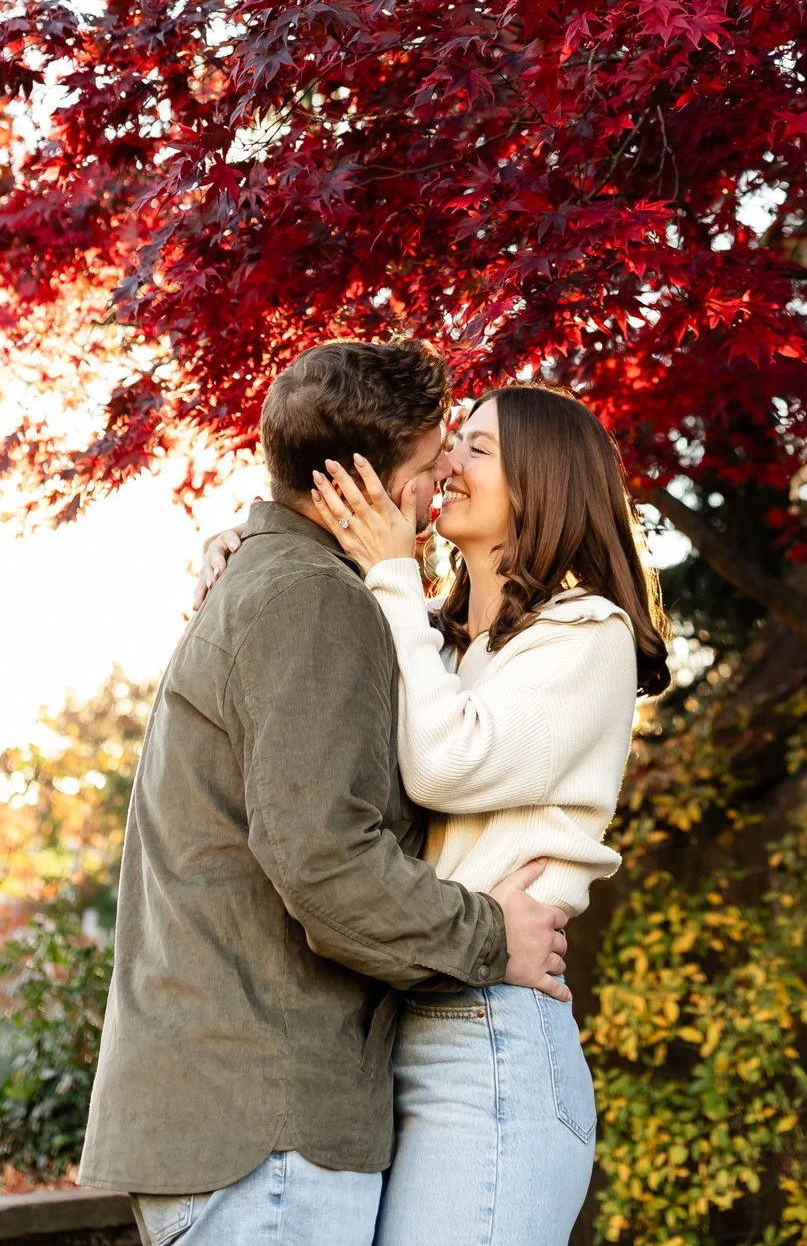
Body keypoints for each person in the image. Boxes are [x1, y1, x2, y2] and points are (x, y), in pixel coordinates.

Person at [76, 338, 574, 1246]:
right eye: (427, 467)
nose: (437, 489)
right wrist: (490, 935)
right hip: (265, 1127)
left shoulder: (283, 583)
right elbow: (323, 858)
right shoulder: (310, 599)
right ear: (360, 485)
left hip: (247, 1121)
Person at [202, 380, 671, 1246]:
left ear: (542, 483)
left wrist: (387, 572)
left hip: (488, 1031)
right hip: (401, 1017)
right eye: (450, 443)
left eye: (476, 449)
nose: (443, 464)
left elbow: (445, 763)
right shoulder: (438, 637)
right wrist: (255, 544)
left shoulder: (587, 634)